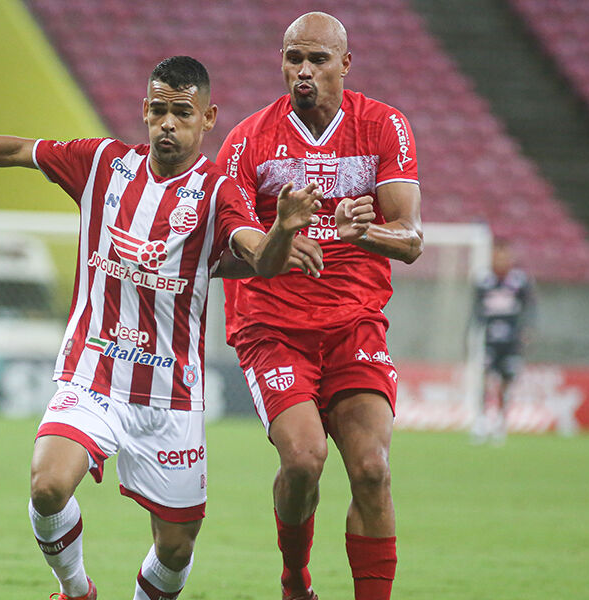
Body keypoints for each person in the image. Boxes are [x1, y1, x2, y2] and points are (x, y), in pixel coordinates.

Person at [0, 56, 321, 600]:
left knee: (176, 549)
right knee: (48, 484)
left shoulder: (218, 192)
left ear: (208, 117)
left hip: (169, 396)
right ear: (144, 111)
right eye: (158, 111)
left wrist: (282, 231)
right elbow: (14, 150)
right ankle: (76, 590)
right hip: (93, 372)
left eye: (182, 113)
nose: (168, 124)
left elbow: (259, 260)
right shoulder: (103, 164)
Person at [214, 12, 422, 600]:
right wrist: (279, 238)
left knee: (373, 471)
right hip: (272, 327)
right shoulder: (248, 141)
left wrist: (366, 236)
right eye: (292, 58)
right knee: (303, 461)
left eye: (318, 59)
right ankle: (294, 579)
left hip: (355, 324)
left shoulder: (383, 126)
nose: (303, 71)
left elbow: (411, 239)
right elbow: (224, 256)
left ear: (345, 65)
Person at [471, 240, 535, 445]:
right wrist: (471, 333)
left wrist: (527, 331)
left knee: (506, 382)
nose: (500, 260)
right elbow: (475, 311)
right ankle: (481, 421)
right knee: (485, 380)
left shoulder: (520, 281)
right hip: (488, 339)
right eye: (497, 255)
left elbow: (530, 309)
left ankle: (500, 422)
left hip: (511, 341)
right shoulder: (483, 281)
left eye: (504, 255)